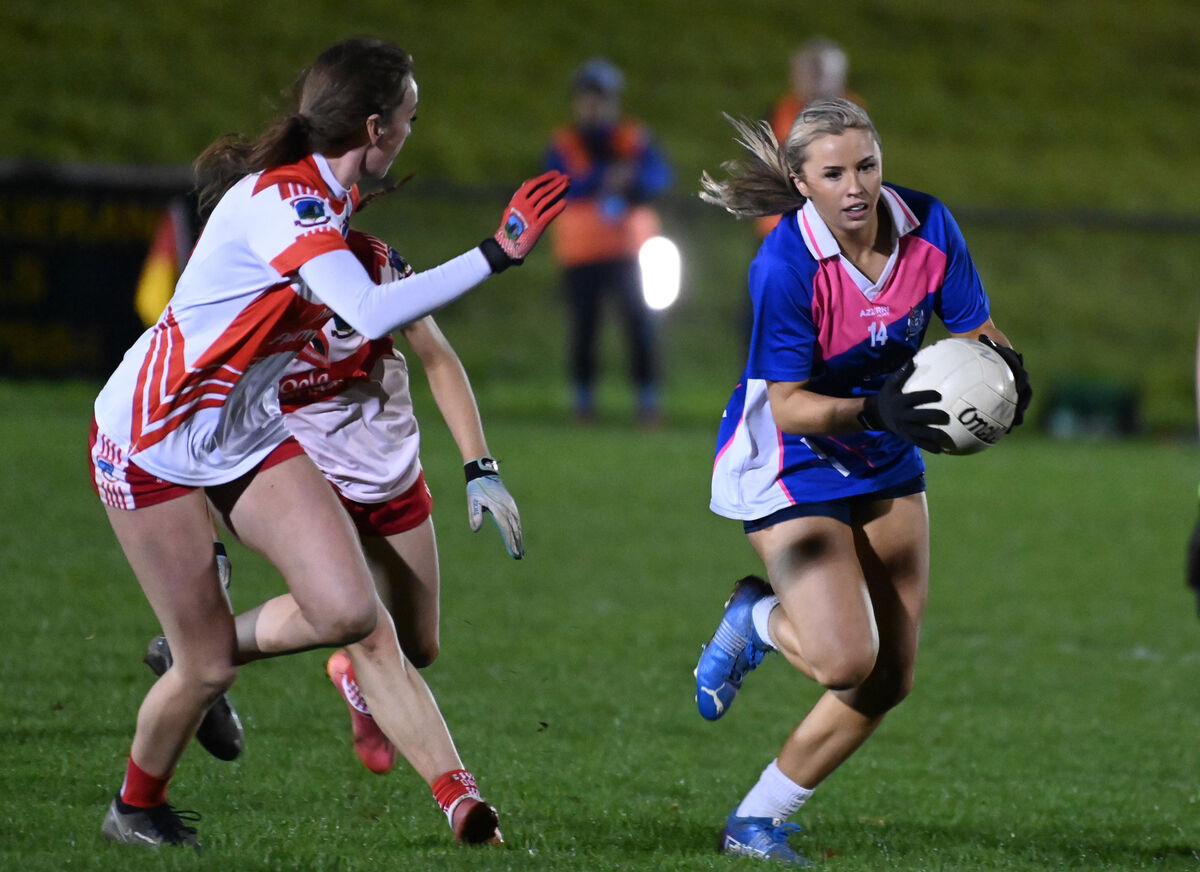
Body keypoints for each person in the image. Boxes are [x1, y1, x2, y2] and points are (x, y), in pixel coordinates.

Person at [89, 36, 566, 850]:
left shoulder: (325, 200)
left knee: (356, 614)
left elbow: (395, 320)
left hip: (244, 432)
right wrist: (498, 252)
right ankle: (136, 808)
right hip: (153, 440)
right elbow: (372, 312)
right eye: (412, 118)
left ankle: (463, 804)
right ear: (375, 128)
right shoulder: (290, 203)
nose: (416, 131)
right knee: (207, 668)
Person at [694, 99, 1031, 865]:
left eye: (868, 166)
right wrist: (875, 408)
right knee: (846, 660)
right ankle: (755, 620)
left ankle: (756, 821)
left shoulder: (929, 225)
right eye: (834, 172)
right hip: (796, 454)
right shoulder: (785, 264)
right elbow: (789, 404)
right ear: (802, 181)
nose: (857, 187)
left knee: (889, 676)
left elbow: (976, 330)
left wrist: (1010, 375)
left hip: (887, 445)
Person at [543, 57, 673, 426]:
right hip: (581, 253)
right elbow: (555, 184)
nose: (594, 105)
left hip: (631, 250)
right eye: (587, 97)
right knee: (584, 330)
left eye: (601, 97)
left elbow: (660, 177)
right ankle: (583, 403)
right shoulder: (564, 142)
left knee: (640, 327)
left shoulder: (636, 138)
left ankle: (648, 402)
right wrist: (606, 179)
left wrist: (630, 183)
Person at [756, 39, 861, 240]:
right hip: (779, 230)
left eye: (822, 73)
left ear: (839, 77)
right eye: (809, 72)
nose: (815, 80)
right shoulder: (776, 116)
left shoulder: (854, 121)